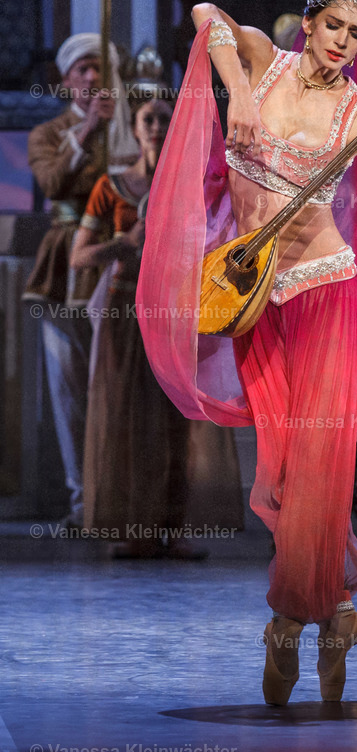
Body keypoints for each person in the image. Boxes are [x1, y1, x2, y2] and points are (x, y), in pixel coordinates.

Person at [136, 0, 357, 704]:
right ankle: (339, 612)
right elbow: (206, 11)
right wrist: (235, 89)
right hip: (257, 297)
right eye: (334, 26)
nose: (344, 43)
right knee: (283, 469)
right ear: (308, 22)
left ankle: (288, 624)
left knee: (320, 464)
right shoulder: (262, 62)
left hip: (327, 290)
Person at [70, 91, 228, 558]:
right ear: (135, 128)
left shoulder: (193, 185)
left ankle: (174, 527)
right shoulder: (112, 186)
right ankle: (135, 527)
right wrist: (126, 243)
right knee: (129, 420)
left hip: (178, 314)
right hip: (126, 314)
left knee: (179, 422)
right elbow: (79, 256)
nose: (157, 126)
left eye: (164, 118)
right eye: (148, 119)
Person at [23, 34, 118, 527]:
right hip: (65, 266)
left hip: (118, 259)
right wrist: (86, 132)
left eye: (99, 68)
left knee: (118, 386)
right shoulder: (49, 133)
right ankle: (84, 504)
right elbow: (53, 183)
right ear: (66, 80)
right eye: (82, 69)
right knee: (68, 388)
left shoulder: (127, 131)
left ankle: (124, 500)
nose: (91, 78)